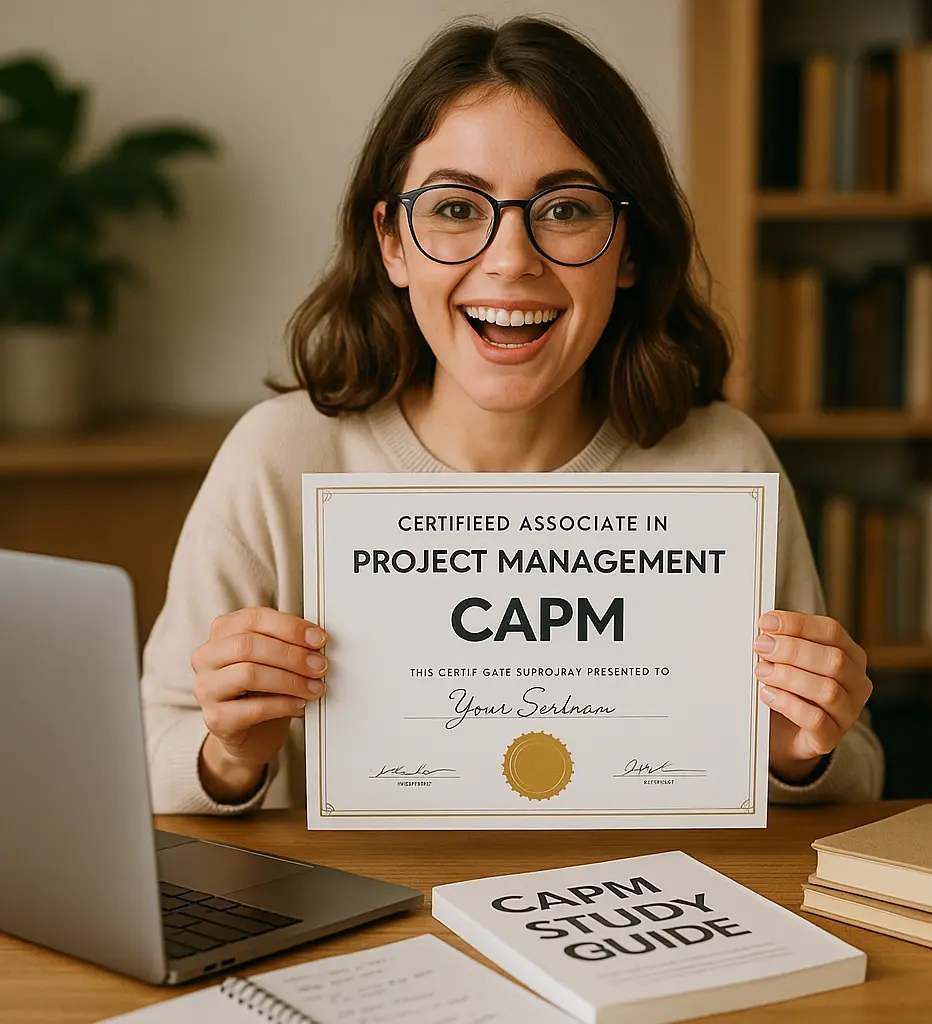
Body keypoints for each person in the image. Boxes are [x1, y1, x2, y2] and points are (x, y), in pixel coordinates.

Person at [141, 16, 883, 815]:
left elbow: (857, 769)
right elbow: (147, 756)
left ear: (629, 249)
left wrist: (797, 753)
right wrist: (228, 753)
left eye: (566, 210)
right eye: (457, 208)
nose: (511, 258)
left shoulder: (723, 464)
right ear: (391, 242)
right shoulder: (279, 457)